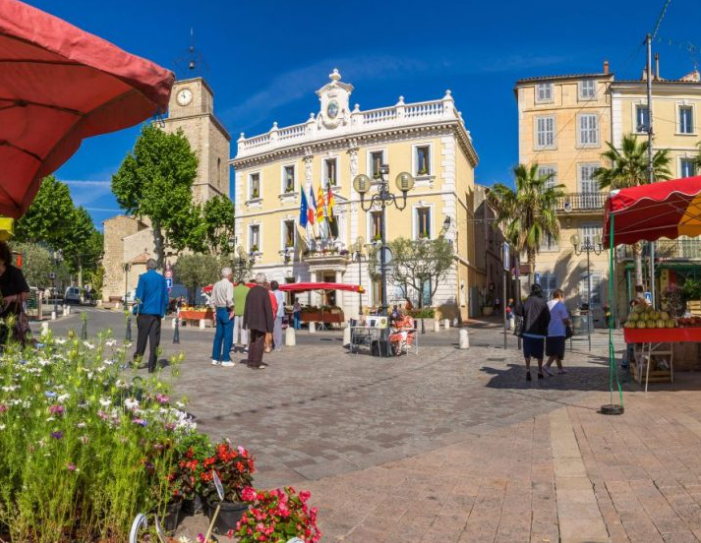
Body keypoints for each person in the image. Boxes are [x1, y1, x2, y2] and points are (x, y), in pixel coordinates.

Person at [133, 259, 168, 373]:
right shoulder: (162, 279)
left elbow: (139, 296)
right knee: (154, 341)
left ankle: (137, 361)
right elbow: (166, 298)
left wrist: (135, 310)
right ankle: (152, 366)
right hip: (156, 315)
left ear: (147, 267)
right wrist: (163, 311)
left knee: (141, 340)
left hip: (144, 313)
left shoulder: (143, 278)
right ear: (156, 267)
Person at [515, 283, 551, 380]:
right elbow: (548, 317)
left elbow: (520, 312)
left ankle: (528, 371)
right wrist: (544, 326)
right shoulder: (543, 302)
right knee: (539, 353)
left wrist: (519, 306)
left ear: (532, 290)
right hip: (539, 333)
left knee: (527, 353)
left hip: (527, 332)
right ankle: (539, 371)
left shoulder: (528, 300)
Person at [0, 242, 30, 347]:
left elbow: (27, 294)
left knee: (12, 353)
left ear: (3, 259)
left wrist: (12, 298)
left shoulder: (14, 273)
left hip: (13, 322)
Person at [243, 273, 274, 369]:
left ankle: (250, 361)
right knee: (259, 342)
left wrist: (245, 321)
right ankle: (256, 362)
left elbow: (246, 307)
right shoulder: (264, 292)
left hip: (252, 320)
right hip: (261, 320)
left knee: (252, 340)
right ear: (264, 281)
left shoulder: (250, 291)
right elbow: (268, 309)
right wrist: (270, 325)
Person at [211, 267, 235, 367]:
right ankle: (225, 359)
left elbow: (212, 299)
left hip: (219, 310)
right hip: (226, 310)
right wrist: (233, 309)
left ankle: (215, 358)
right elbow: (229, 299)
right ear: (229, 275)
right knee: (228, 335)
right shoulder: (229, 285)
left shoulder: (216, 284)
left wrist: (214, 310)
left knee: (218, 336)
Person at [544, 289, 570, 376]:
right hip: (559, 331)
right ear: (560, 296)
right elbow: (565, 320)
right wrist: (569, 324)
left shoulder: (547, 304)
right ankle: (547, 366)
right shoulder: (560, 305)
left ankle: (560, 368)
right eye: (563, 296)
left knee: (555, 350)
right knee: (557, 351)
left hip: (549, 331)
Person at [232, 280, 250, 354]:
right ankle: (245, 347)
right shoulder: (247, 289)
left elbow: (231, 300)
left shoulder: (234, 289)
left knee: (234, 329)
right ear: (244, 284)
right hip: (244, 312)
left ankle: (233, 346)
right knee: (244, 329)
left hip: (235, 312)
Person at [271, 281, 285, 351]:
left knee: (277, 330)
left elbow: (275, 304)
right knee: (277, 330)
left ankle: (278, 346)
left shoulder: (275, 293)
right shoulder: (279, 292)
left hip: (276, 313)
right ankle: (277, 345)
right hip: (278, 313)